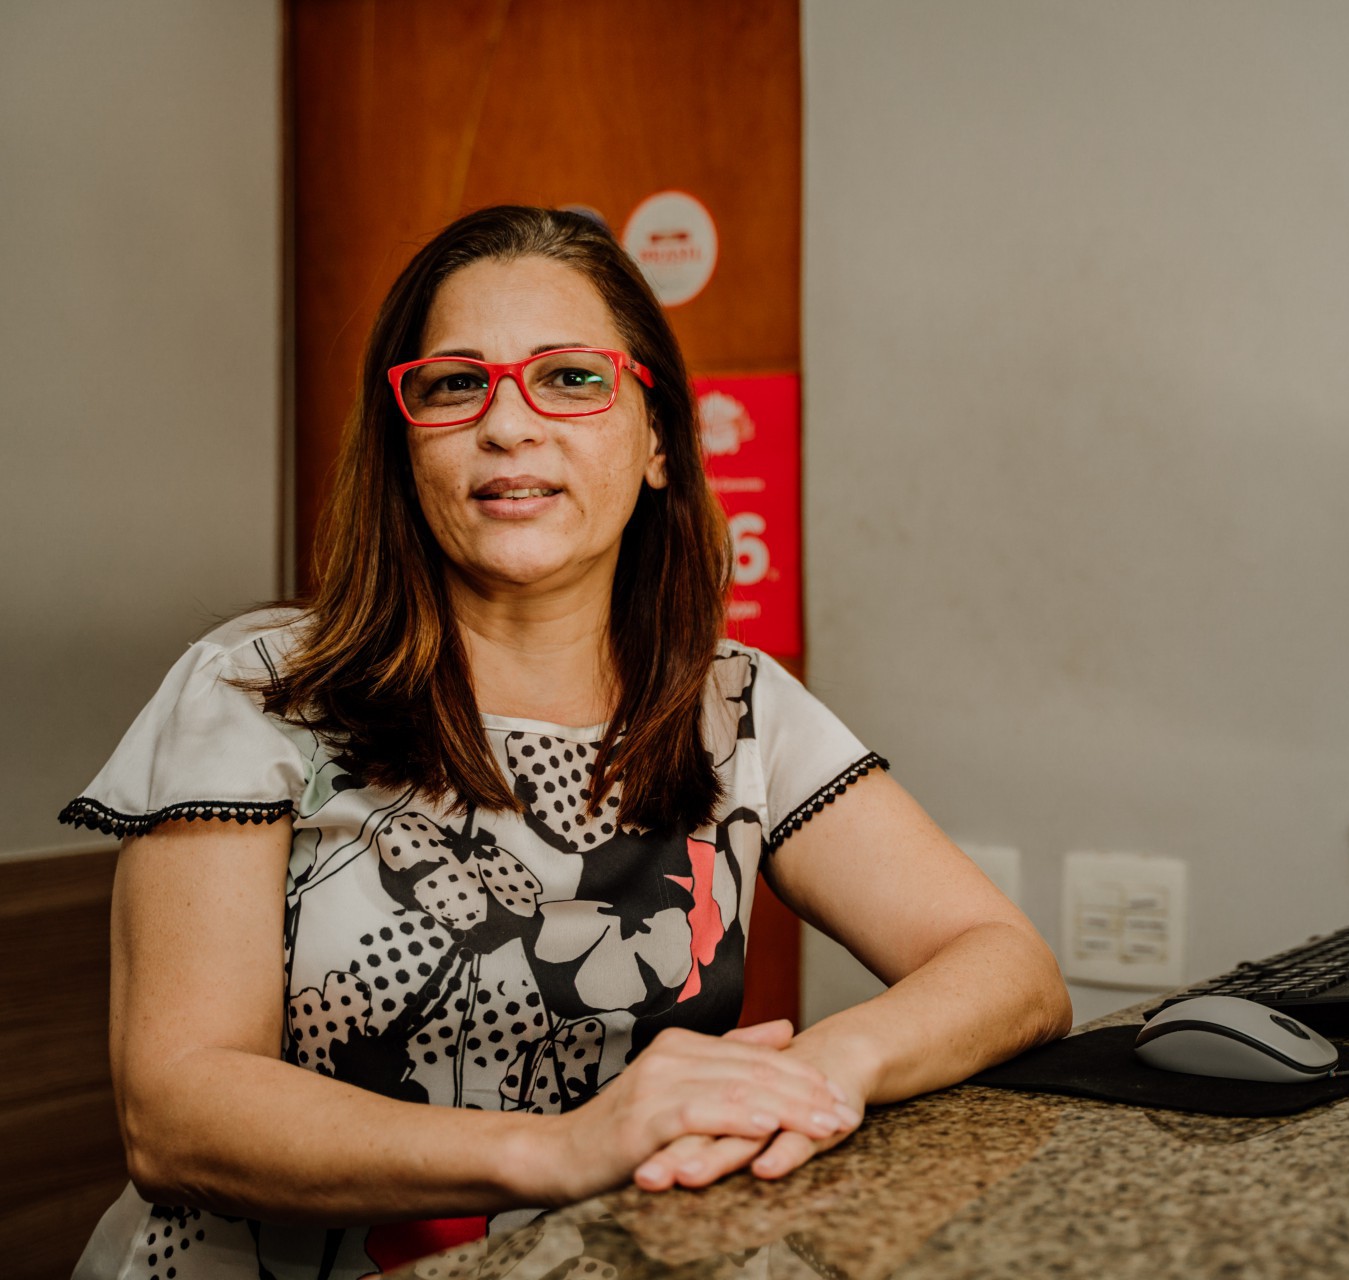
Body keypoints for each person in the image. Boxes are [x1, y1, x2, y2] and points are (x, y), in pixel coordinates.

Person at [60, 205, 1072, 1280]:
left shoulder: (735, 702)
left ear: (658, 443)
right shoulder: (259, 688)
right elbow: (173, 1112)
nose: (508, 424)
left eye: (572, 378)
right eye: (455, 383)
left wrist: (822, 1069)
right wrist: (564, 1148)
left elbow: (1010, 967)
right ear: (406, 448)